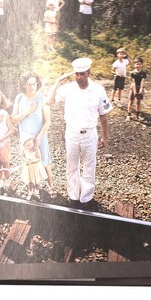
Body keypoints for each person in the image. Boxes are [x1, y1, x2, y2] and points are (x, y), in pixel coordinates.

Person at [47, 57, 113, 205]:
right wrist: (58, 81)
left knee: (89, 166)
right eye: (76, 74)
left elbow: (103, 115)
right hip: (71, 133)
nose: (79, 77)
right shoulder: (68, 88)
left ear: (89, 73)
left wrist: (105, 136)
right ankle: (73, 196)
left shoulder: (98, 90)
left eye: (82, 74)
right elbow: (49, 101)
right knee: (71, 166)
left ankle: (86, 198)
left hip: (89, 134)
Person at [10, 71, 55, 196]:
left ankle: (51, 187)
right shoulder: (19, 98)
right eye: (29, 84)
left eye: (34, 83)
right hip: (25, 139)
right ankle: (32, 190)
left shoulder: (42, 98)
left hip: (40, 136)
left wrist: (39, 138)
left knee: (45, 161)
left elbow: (48, 122)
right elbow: (13, 120)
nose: (32, 87)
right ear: (23, 85)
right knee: (28, 162)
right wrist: (28, 111)